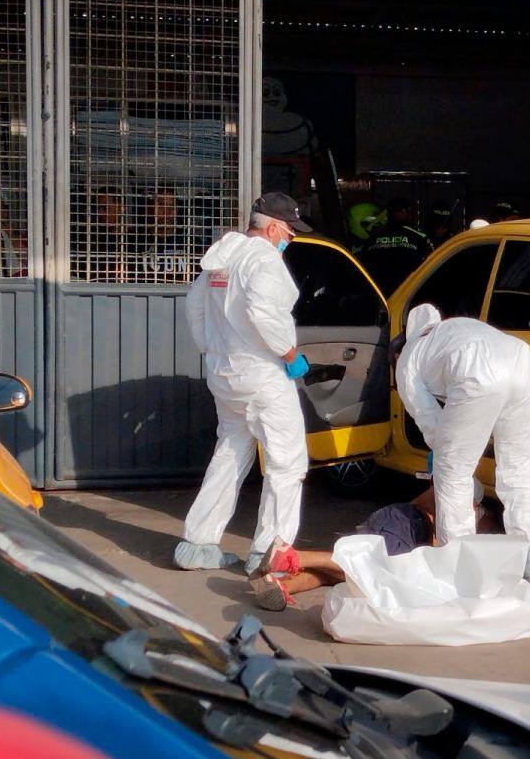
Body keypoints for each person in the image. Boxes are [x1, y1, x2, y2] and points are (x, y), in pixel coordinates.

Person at [174, 192, 314, 574]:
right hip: (263, 378)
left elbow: (194, 306)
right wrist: (289, 355)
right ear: (272, 227)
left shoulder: (222, 257)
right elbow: (262, 311)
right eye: (289, 232)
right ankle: (270, 556)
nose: (290, 239)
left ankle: (197, 545)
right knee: (287, 464)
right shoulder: (264, 260)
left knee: (231, 454)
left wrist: (214, 349)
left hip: (225, 376)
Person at [393, 303, 530, 582]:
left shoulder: (408, 357)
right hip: (522, 362)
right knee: (521, 467)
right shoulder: (454, 328)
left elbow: (427, 417)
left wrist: (441, 450)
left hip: (477, 372)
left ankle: (459, 568)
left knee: (452, 472)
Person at [250, 481, 502, 611]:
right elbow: (442, 541)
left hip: (396, 518)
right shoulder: (466, 495)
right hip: (408, 526)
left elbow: (415, 504)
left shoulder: (449, 480)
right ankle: (293, 556)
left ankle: (281, 585)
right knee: (365, 567)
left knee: (340, 576)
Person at [358, 196, 432, 295]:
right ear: (406, 212)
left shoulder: (371, 239)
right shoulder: (420, 238)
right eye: (404, 211)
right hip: (408, 295)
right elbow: (431, 266)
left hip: (379, 296)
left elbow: (362, 267)